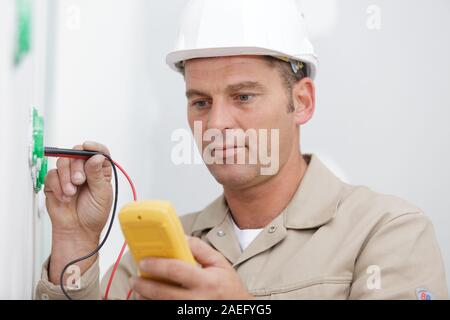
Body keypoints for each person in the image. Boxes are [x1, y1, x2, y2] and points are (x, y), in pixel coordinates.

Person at [35, 0, 448, 299]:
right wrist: (74, 240)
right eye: (200, 101)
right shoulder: (161, 254)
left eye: (244, 96)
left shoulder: (389, 233)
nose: (216, 125)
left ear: (301, 102)